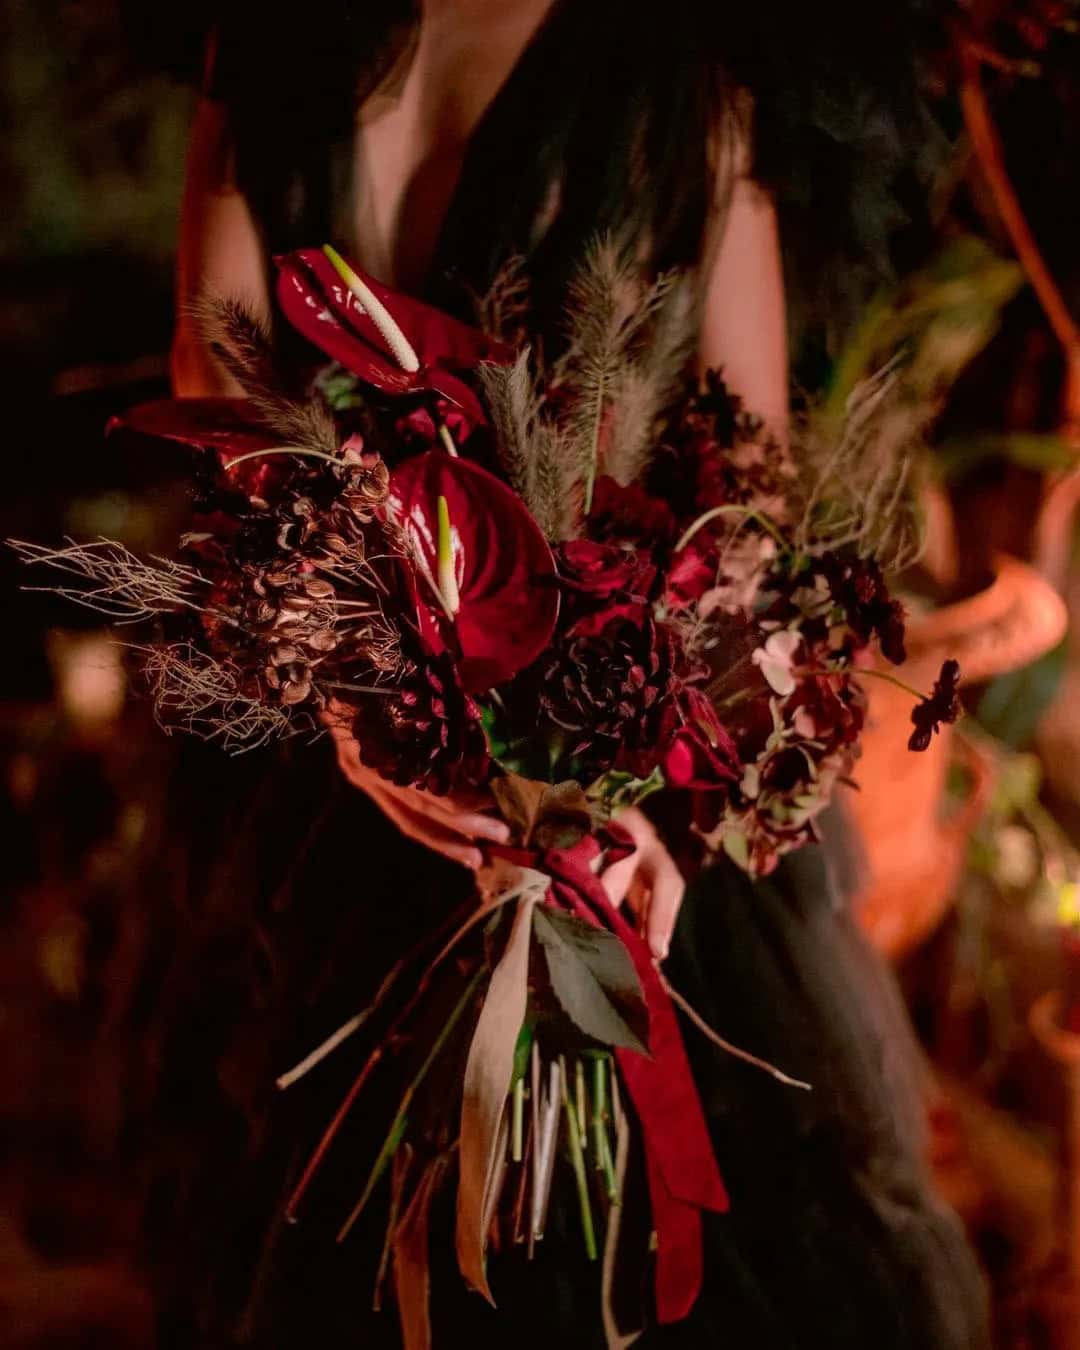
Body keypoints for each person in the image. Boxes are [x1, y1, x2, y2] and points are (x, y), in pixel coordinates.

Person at [150, 2, 989, 1346]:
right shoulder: (689, 51)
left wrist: (361, 695)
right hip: (573, 757)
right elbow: (748, 483)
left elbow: (219, 384)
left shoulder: (266, 33)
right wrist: (645, 784)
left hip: (436, 763)